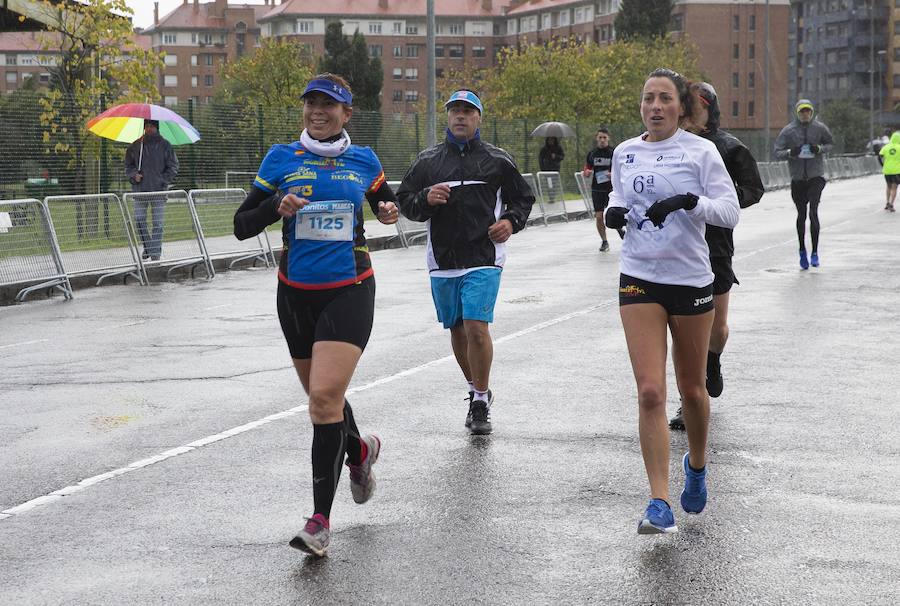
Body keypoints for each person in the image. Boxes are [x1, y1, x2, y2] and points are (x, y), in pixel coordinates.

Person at [233, 73, 400, 557]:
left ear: (347, 114)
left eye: (329, 105)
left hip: (350, 289)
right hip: (295, 295)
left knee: (324, 400)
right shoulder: (280, 158)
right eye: (312, 104)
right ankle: (360, 450)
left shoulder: (364, 160)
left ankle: (320, 522)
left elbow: (383, 203)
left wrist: (388, 211)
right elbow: (242, 226)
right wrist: (273, 204)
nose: (318, 112)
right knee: (323, 402)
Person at [604, 69, 739, 534]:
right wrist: (612, 211)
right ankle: (658, 501)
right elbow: (616, 196)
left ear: (681, 107)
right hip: (639, 276)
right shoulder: (625, 151)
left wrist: (689, 201)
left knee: (693, 390)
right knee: (649, 392)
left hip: (690, 280)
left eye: (664, 99)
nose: (655, 106)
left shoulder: (701, 152)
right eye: (647, 99)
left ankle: (696, 466)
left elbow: (730, 211)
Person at [396, 89, 534, 436]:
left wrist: (510, 222)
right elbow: (406, 203)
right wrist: (426, 199)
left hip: (484, 256)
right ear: (447, 117)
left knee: (476, 325)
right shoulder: (428, 161)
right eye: (455, 110)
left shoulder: (497, 160)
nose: (460, 116)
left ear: (479, 119)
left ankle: (479, 402)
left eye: (467, 111)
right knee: (457, 329)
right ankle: (478, 390)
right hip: (442, 259)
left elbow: (523, 198)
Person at [669, 82, 765, 429]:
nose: (688, 113)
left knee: (717, 329)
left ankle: (713, 361)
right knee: (683, 332)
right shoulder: (668, 145)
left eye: (696, 107)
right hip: (678, 249)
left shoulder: (728, 147)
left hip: (716, 247)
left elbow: (754, 189)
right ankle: (687, 401)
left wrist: (714, 202)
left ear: (711, 110)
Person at [774, 99, 834, 269]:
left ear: (812, 112)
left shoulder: (820, 128)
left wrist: (820, 149)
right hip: (798, 179)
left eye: (808, 111)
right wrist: (790, 152)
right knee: (801, 215)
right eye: (802, 112)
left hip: (816, 177)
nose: (805, 114)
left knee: (813, 212)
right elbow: (777, 152)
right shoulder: (788, 130)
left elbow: (830, 143)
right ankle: (802, 251)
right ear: (797, 113)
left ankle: (815, 252)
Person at [124, 119, 179, 261]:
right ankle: (149, 247)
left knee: (158, 224)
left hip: (158, 191)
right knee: (139, 220)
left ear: (157, 128)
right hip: (140, 190)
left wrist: (163, 180)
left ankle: (155, 253)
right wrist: (133, 175)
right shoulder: (136, 146)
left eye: (152, 126)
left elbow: (173, 166)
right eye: (147, 126)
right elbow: (128, 166)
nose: (149, 129)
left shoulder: (165, 145)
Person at [582, 128, 624, 251]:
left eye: (604, 137)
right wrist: (587, 172)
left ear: (608, 138)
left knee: (613, 213)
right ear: (596, 138)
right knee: (599, 217)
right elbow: (586, 169)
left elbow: (622, 169)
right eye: (600, 137)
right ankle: (604, 241)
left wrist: (613, 175)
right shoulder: (592, 153)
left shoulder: (614, 152)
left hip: (612, 189)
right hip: (597, 189)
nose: (602, 140)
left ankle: (619, 229)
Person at [878, 130, 900, 212]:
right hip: (897, 170)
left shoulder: (886, 147)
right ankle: (891, 204)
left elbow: (879, 156)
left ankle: (887, 202)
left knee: (888, 186)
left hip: (887, 170)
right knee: (894, 187)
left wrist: (882, 165)